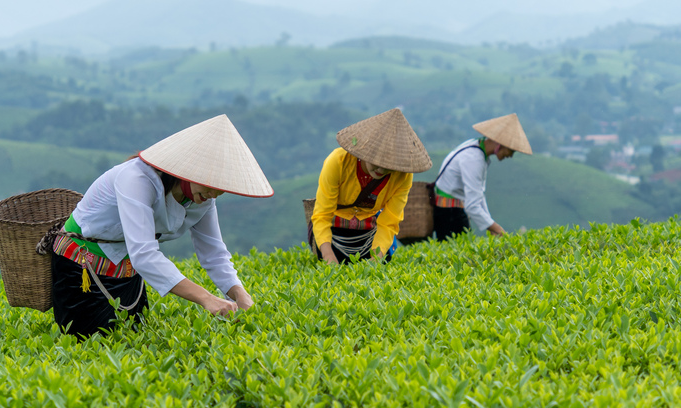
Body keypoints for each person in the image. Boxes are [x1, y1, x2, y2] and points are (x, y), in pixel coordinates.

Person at [39, 114, 273, 338]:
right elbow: (145, 254)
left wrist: (240, 295)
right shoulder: (137, 179)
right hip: (82, 266)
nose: (215, 193)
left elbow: (213, 253)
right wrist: (207, 299)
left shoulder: (203, 198)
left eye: (222, 186)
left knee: (133, 339)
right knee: (87, 344)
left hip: (127, 269)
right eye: (210, 183)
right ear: (188, 169)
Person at [309, 108, 432, 264]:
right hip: (334, 232)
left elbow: (389, 221)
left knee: (380, 263)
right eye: (377, 162)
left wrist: (375, 260)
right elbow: (322, 215)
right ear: (365, 151)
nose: (381, 170)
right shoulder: (338, 162)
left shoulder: (403, 176)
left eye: (389, 165)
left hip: (370, 233)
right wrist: (328, 256)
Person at [432, 113, 532, 241]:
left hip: (451, 210)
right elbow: (472, 206)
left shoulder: (476, 149)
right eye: (510, 151)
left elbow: (478, 195)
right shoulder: (474, 159)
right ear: (499, 144)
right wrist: (497, 229)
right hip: (449, 213)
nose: (510, 155)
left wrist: (490, 224)